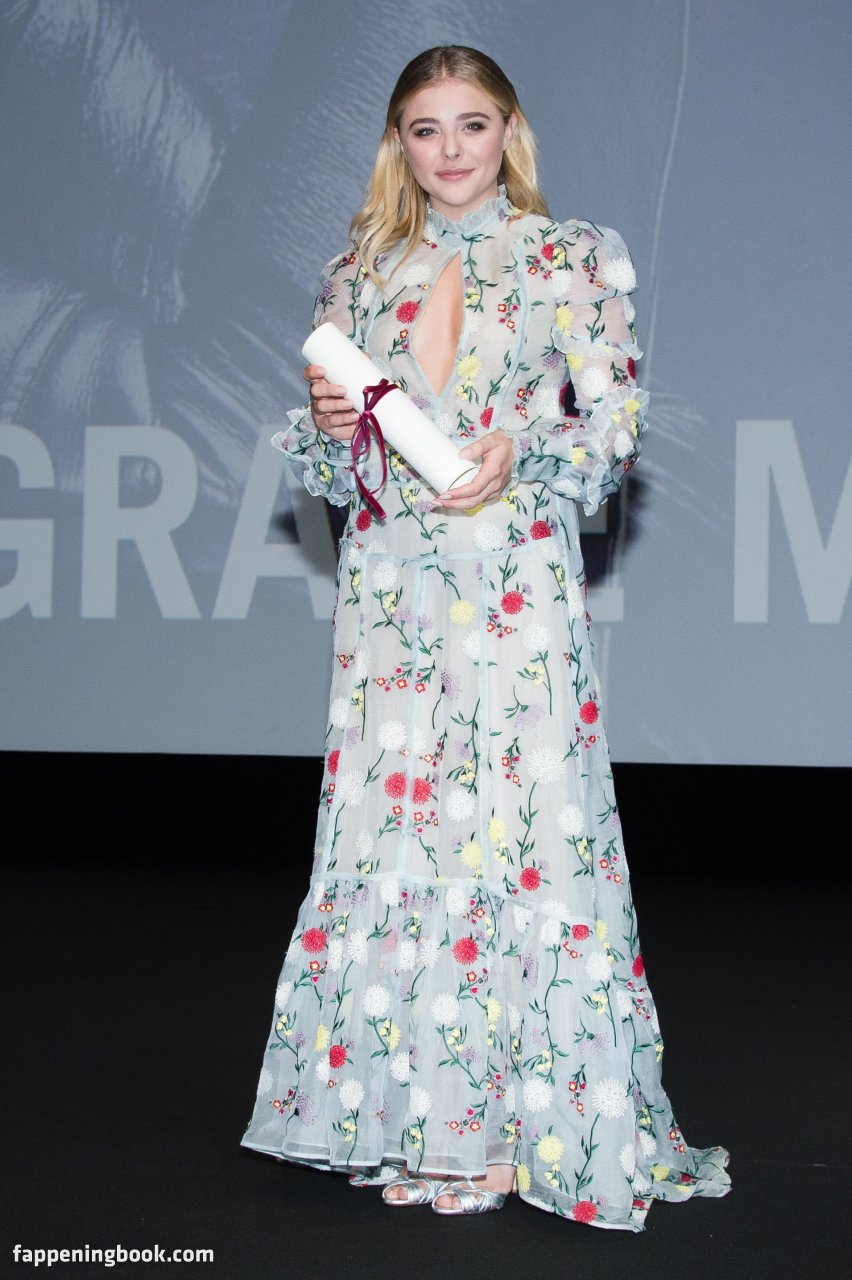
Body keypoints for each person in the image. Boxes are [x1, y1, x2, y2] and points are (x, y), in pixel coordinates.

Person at [241, 45, 730, 1227]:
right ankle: (424, 1115)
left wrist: (529, 446)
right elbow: (333, 470)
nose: (450, 148)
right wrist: (331, 430)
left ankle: (524, 1131)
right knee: (401, 832)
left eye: (471, 123)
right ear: (398, 145)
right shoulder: (358, 274)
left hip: (513, 585)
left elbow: (612, 428)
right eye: (425, 127)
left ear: (508, 132)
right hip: (393, 593)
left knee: (518, 832)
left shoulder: (568, 259)